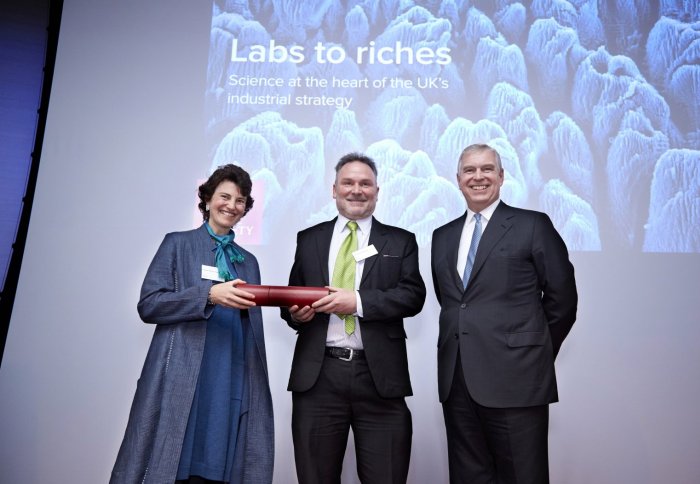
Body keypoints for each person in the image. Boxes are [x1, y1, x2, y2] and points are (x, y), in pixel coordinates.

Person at [111, 164, 274, 484]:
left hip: (231, 373)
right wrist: (208, 295)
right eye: (224, 196)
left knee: (219, 465)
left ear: (246, 209)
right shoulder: (177, 244)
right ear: (207, 199)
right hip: (184, 373)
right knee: (172, 461)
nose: (231, 205)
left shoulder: (248, 262)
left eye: (240, 200)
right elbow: (149, 305)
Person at [431, 144, 578, 484]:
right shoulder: (443, 236)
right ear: (458, 179)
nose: (478, 177)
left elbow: (563, 300)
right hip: (458, 382)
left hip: (518, 380)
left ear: (501, 176)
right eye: (469, 170)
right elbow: (454, 303)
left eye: (486, 169)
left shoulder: (532, 225)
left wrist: (531, 352)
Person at [280, 153, 426, 484]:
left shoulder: (400, 241)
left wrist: (356, 301)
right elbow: (291, 299)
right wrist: (296, 314)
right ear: (334, 189)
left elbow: (413, 296)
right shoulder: (309, 239)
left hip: (380, 380)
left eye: (365, 183)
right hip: (318, 378)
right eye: (348, 183)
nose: (356, 190)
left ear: (377, 190)